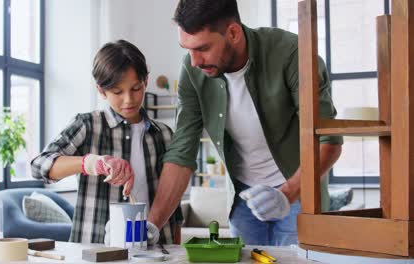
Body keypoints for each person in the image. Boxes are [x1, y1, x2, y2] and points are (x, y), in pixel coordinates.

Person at [147, 0, 342, 246]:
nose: (194, 61)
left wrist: (286, 194)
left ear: (233, 33)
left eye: (203, 48)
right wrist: (152, 225)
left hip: (298, 194)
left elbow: (329, 142)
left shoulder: (293, 54)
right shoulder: (193, 69)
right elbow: (181, 153)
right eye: (187, 49)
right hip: (243, 199)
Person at [31, 40, 182, 245]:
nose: (128, 99)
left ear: (146, 81)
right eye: (117, 92)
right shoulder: (88, 125)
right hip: (95, 249)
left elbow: (175, 208)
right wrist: (91, 163)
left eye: (136, 88)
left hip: (152, 249)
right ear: (101, 90)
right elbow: (40, 166)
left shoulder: (163, 134)